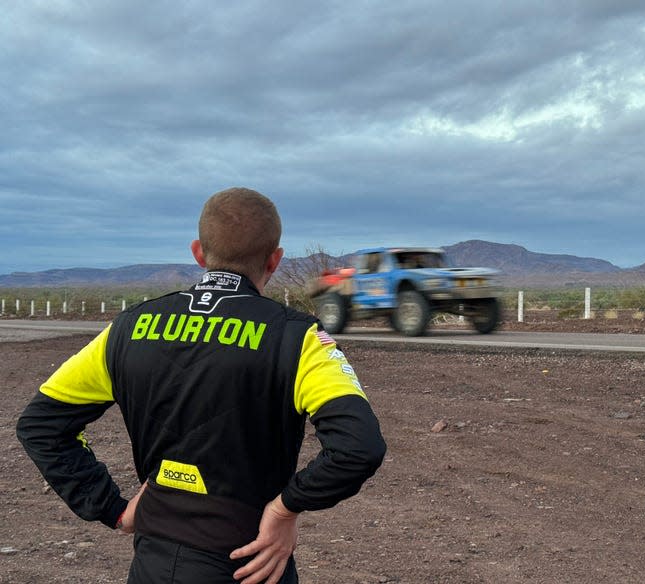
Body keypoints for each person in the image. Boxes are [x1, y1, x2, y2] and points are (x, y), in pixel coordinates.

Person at [16, 187, 386, 584]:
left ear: (198, 252)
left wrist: (112, 509)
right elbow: (358, 447)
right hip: (249, 562)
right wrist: (284, 509)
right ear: (275, 260)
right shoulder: (298, 338)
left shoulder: (127, 328)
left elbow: (41, 424)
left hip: (152, 561)